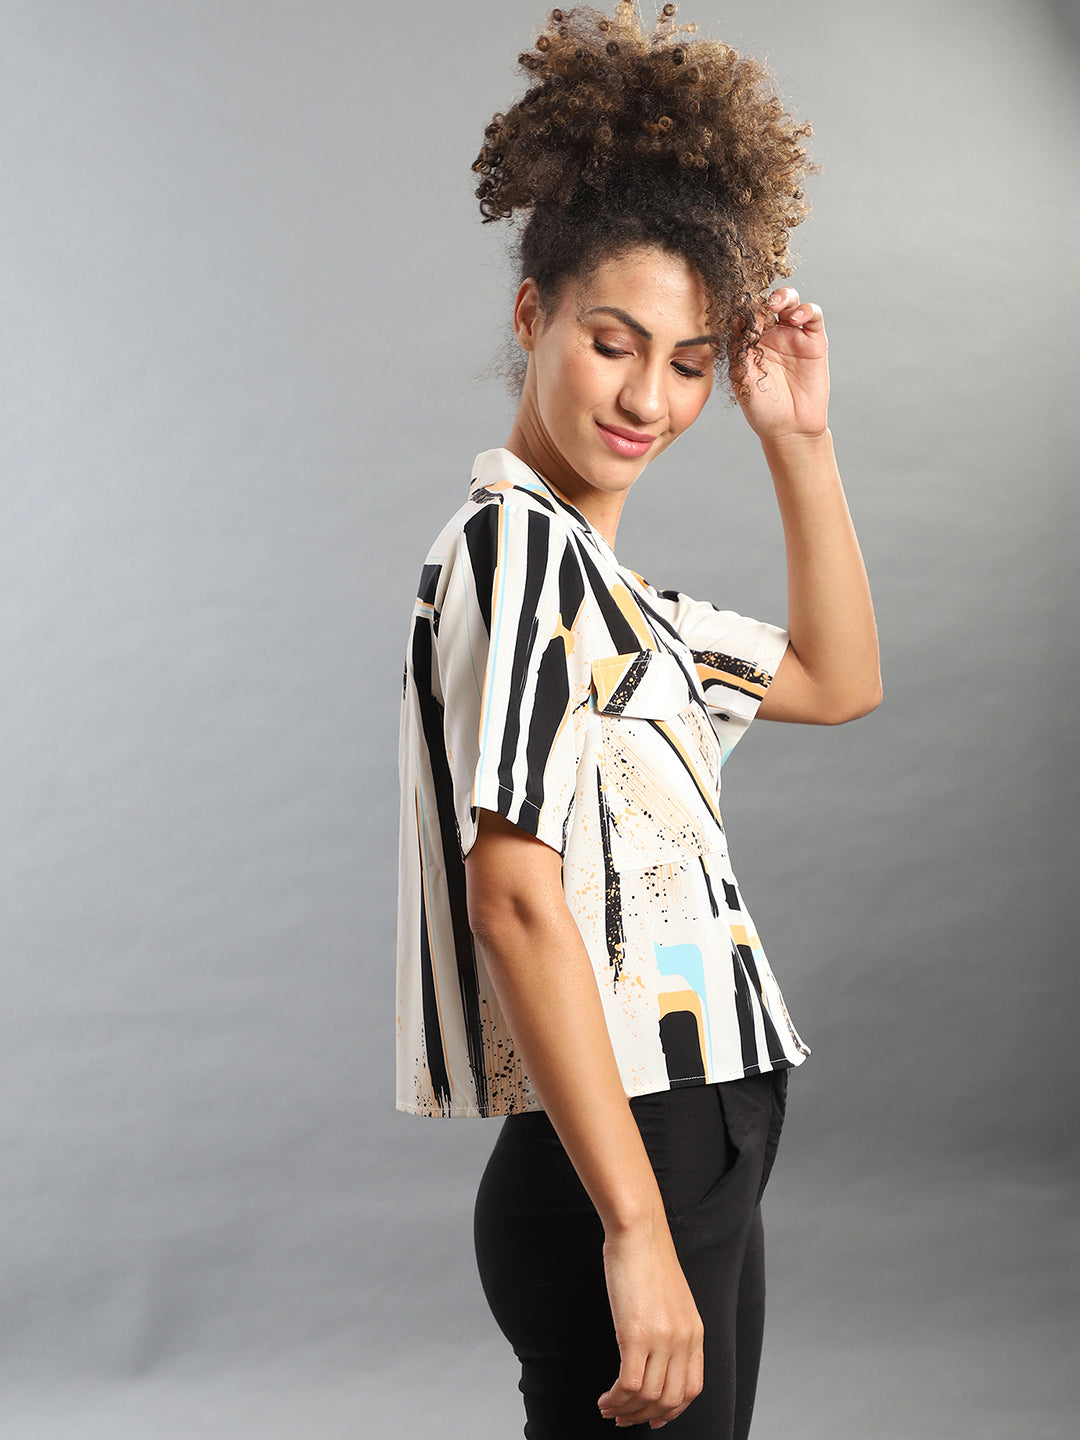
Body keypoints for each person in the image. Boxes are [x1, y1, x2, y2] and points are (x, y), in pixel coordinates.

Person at [395, 3, 881, 1435]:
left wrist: (799, 440)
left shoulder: (619, 605)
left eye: (688, 362)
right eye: (615, 342)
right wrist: (634, 1227)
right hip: (634, 1149)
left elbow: (838, 678)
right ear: (532, 315)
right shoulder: (518, 551)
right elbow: (514, 892)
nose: (650, 398)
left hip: (700, 1133)